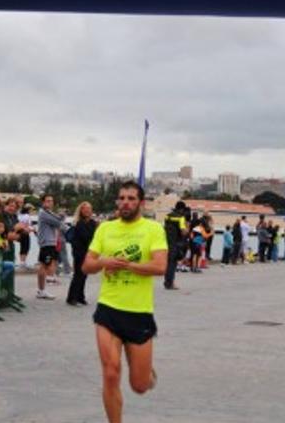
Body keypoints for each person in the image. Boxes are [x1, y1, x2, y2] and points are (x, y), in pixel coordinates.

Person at [81, 181, 167, 423]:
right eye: (122, 198)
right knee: (110, 373)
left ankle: (147, 373)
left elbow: (160, 267)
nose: (125, 202)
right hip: (108, 310)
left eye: (131, 198)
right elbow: (87, 266)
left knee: (139, 386)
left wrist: (128, 265)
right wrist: (103, 263)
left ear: (141, 202)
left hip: (139, 313)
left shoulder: (153, 229)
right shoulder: (105, 229)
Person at [67, 201, 97, 306]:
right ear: (81, 210)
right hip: (79, 252)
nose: (88, 210)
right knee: (78, 274)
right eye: (85, 208)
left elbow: (95, 237)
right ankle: (72, 297)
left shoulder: (93, 223)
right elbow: (87, 237)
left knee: (84, 275)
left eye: (89, 208)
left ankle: (80, 296)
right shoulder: (79, 223)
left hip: (88, 252)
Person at [37, 194, 66, 299]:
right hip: (47, 242)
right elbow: (58, 222)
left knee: (47, 264)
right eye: (48, 201)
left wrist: (61, 216)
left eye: (51, 201)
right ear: (43, 202)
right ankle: (41, 290)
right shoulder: (43, 213)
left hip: (50, 242)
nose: (50, 202)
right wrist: (62, 217)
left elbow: (58, 220)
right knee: (44, 265)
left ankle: (43, 287)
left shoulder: (48, 212)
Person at [163, 201, 188, 289]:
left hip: (166, 242)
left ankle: (167, 282)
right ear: (181, 209)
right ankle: (170, 283)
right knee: (172, 264)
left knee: (168, 262)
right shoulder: (181, 218)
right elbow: (183, 232)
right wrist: (187, 227)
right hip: (175, 243)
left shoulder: (167, 216)